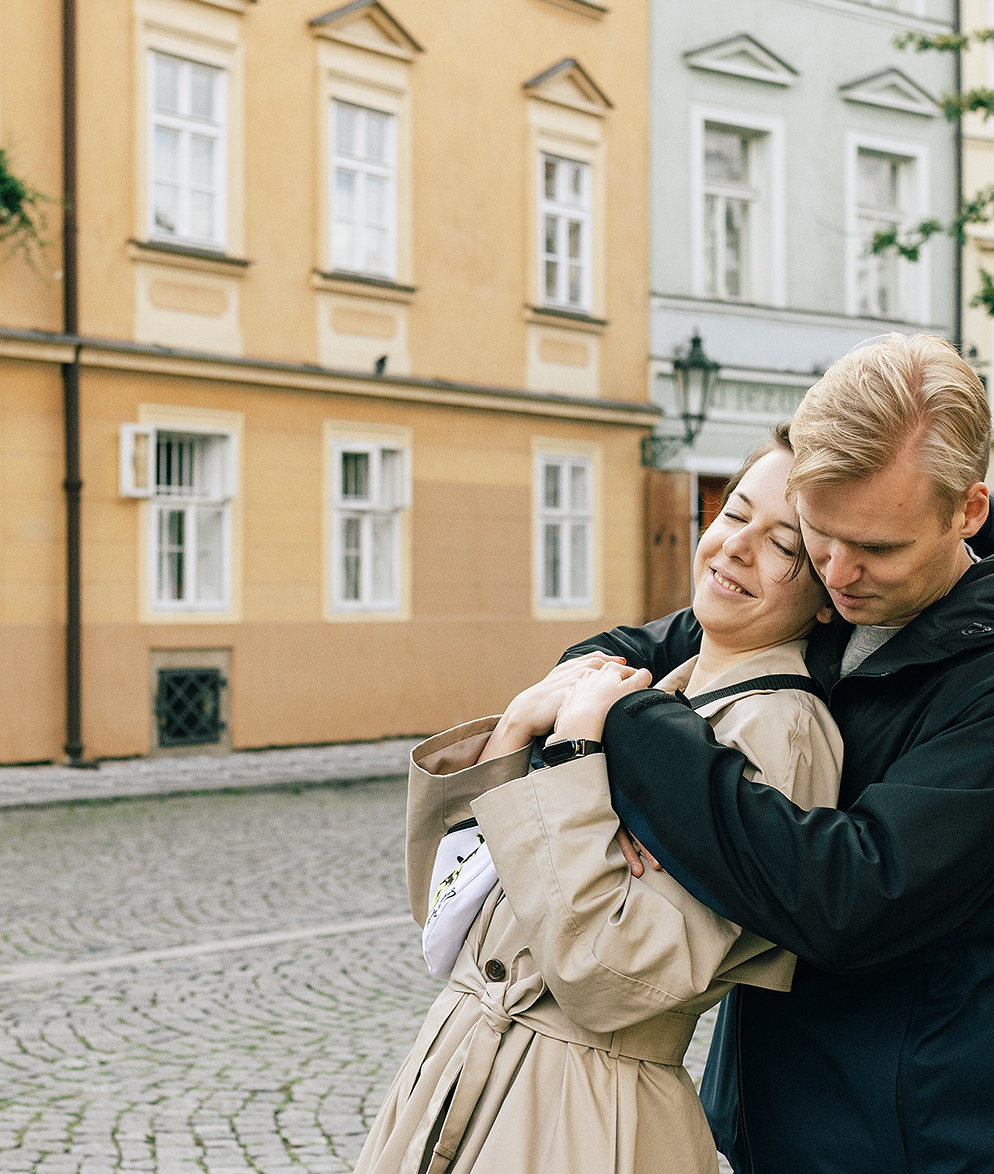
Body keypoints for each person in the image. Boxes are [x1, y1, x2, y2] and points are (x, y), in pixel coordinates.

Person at [557, 332, 994, 1174]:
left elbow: (845, 895)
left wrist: (627, 732)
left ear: (967, 511)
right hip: (760, 1121)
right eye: (817, 533)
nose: (838, 576)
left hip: (922, 1144)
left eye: (877, 547)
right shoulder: (833, 597)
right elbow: (628, 645)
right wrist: (593, 696)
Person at [355, 433, 842, 1174]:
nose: (736, 548)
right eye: (732, 513)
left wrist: (578, 758)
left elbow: (611, 979)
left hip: (583, 1113)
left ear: (830, 593)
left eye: (783, 546)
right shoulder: (657, 688)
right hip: (463, 1070)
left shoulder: (779, 728)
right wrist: (518, 728)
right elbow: (450, 920)